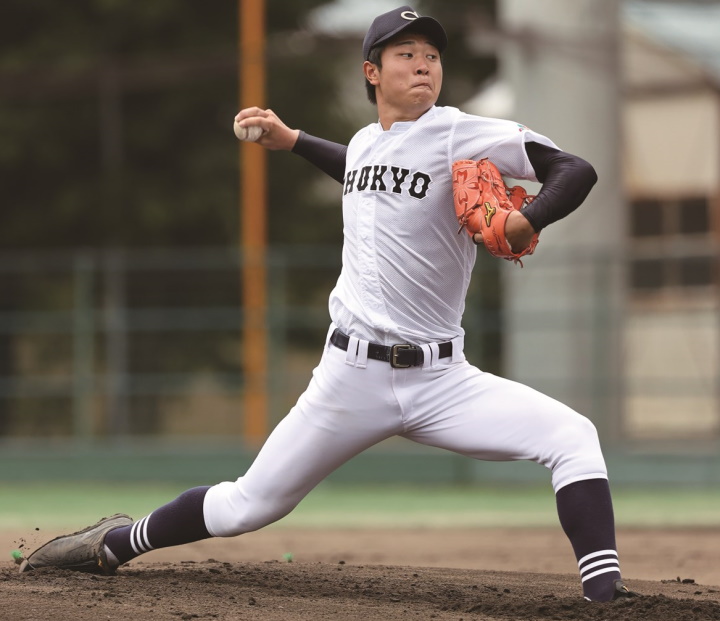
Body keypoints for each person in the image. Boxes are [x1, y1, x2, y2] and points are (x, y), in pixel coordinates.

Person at [21, 5, 637, 602]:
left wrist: (529, 218)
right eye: (407, 54)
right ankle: (113, 542)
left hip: (444, 379)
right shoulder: (367, 142)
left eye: (431, 55)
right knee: (245, 506)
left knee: (573, 436)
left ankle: (605, 597)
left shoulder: (459, 132)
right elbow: (359, 169)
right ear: (372, 71)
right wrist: (292, 141)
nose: (424, 64)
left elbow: (573, 169)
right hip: (350, 377)